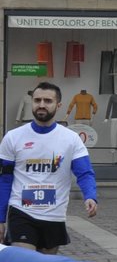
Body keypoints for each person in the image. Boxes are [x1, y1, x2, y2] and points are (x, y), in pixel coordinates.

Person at [0, 82, 98, 253]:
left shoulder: (71, 139)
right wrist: (0, 218)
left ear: (58, 105)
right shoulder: (13, 137)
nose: (42, 105)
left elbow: (85, 172)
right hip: (21, 212)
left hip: (54, 214)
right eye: (37, 100)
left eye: (48, 101)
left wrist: (90, 196)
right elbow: (5, 179)